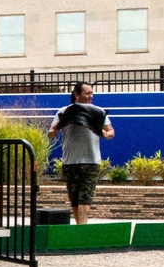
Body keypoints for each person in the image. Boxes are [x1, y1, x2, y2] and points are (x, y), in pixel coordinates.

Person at [48, 82, 115, 225]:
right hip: (70, 161)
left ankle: (82, 227)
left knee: (86, 196)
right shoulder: (64, 112)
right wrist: (56, 128)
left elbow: (111, 132)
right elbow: (51, 134)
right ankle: (79, 227)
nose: (91, 96)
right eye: (87, 93)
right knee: (74, 197)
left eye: (92, 93)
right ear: (76, 95)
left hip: (91, 161)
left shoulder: (98, 111)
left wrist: (102, 132)